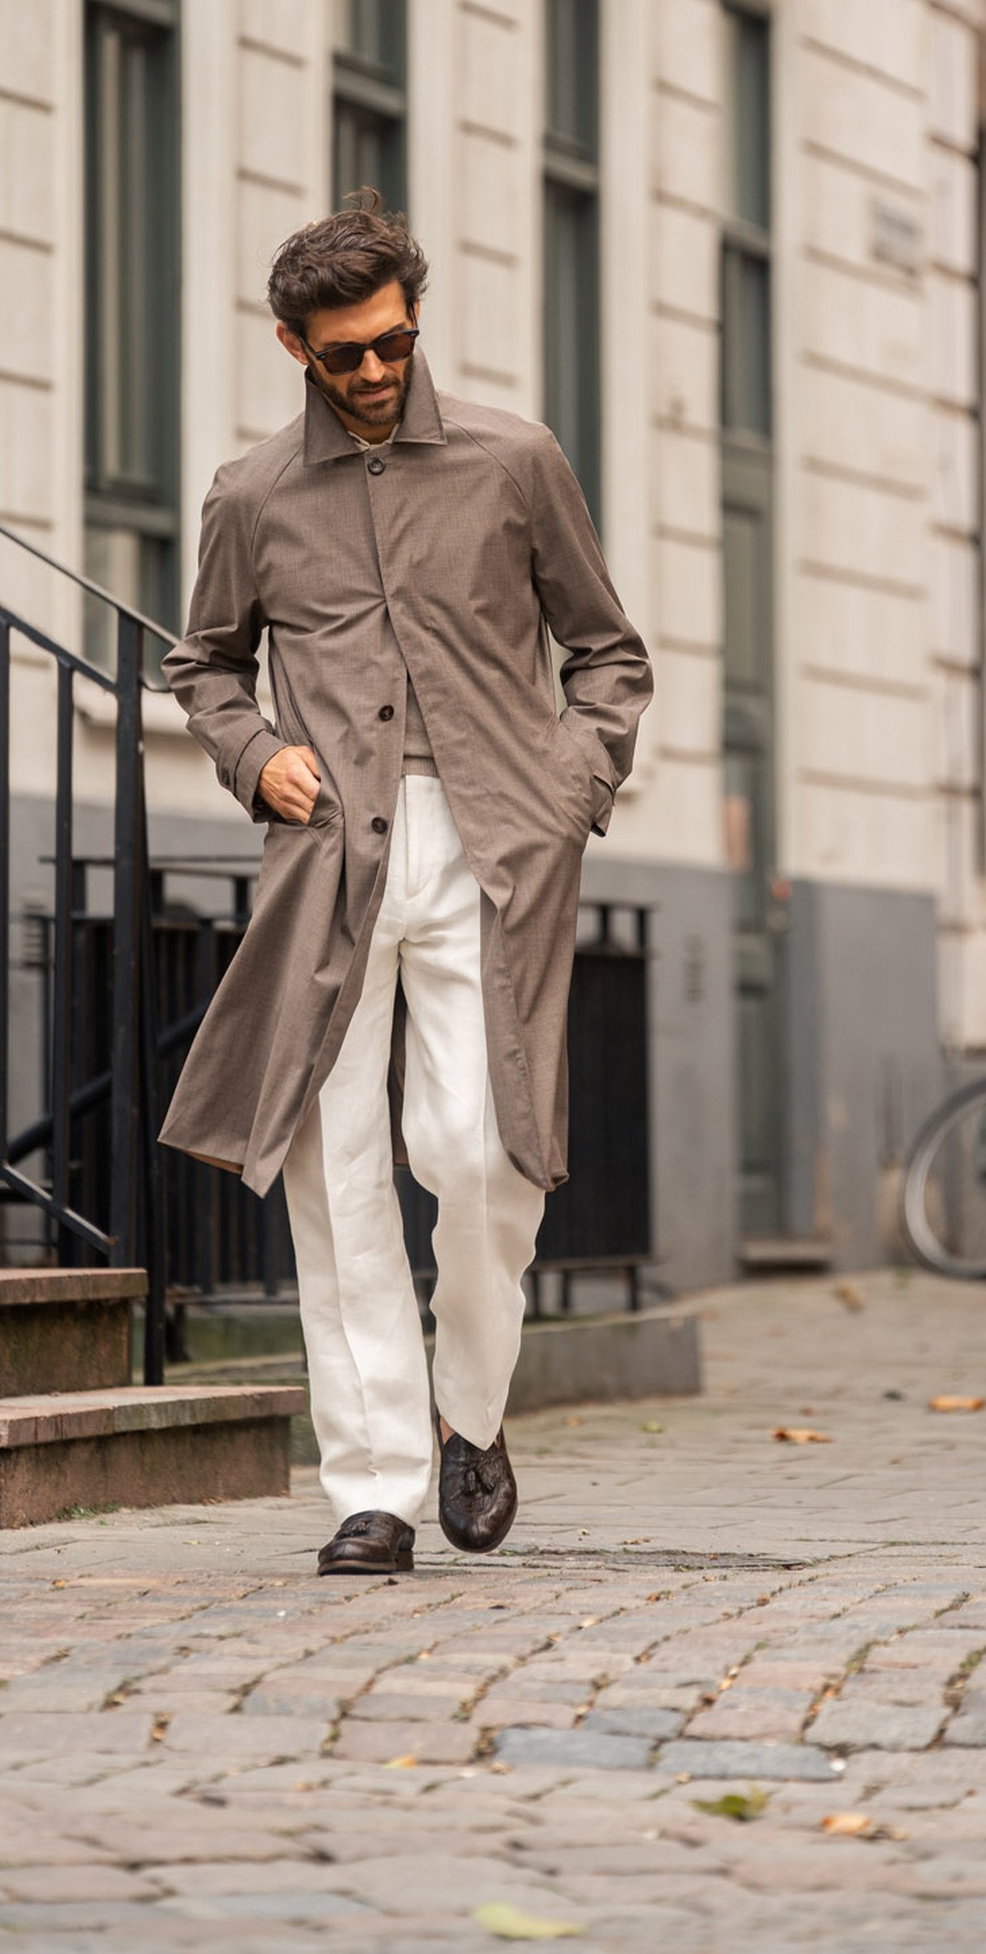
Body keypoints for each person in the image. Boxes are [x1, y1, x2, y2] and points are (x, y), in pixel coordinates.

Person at [161, 193, 651, 1575]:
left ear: (416, 317)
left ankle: (470, 1412)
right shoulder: (252, 494)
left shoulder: (515, 461)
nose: (374, 371)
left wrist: (567, 795)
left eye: (392, 343)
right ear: (293, 347)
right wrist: (256, 756)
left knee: (481, 1148)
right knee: (336, 1170)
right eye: (343, 355)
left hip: (494, 850)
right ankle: (372, 1484)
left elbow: (607, 654)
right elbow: (204, 665)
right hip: (330, 860)